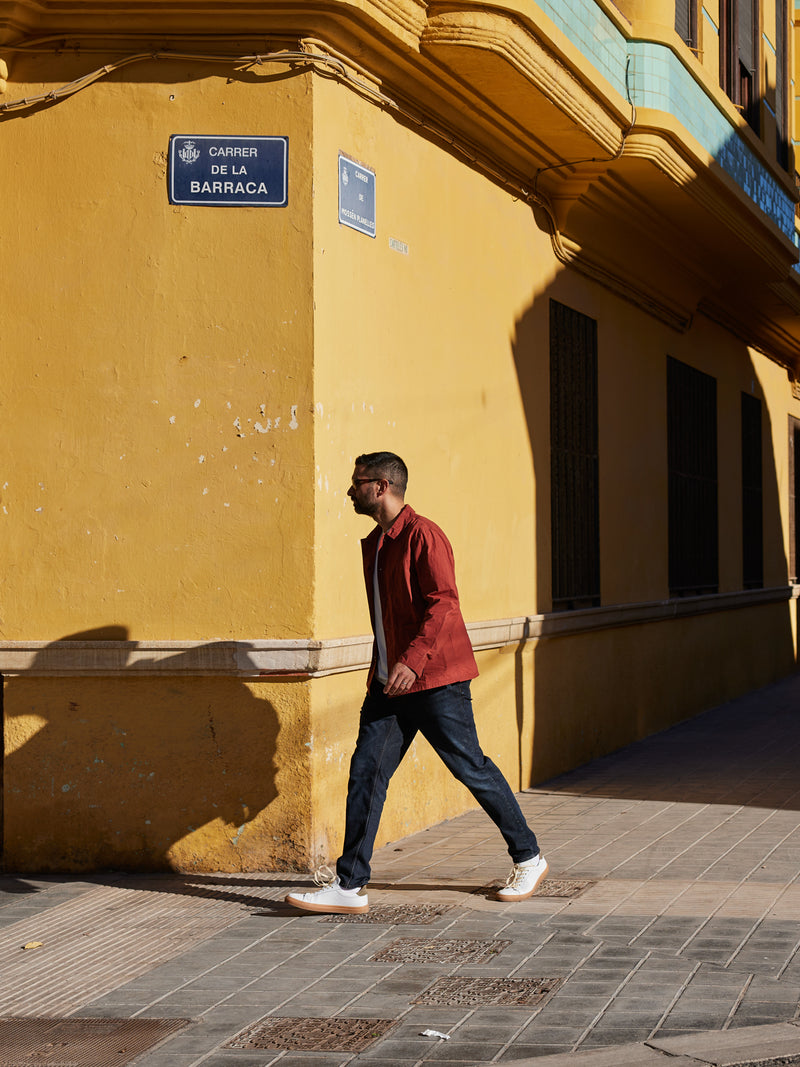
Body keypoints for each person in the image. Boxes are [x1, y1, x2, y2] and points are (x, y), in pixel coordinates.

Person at [286, 451, 546, 914]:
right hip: (390, 686)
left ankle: (529, 857)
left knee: (471, 767)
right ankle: (349, 886)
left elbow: (443, 602)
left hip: (436, 681)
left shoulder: (424, 535)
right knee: (367, 773)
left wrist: (412, 659)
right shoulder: (378, 543)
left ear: (382, 486)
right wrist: (385, 670)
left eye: (358, 481)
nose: (350, 489)